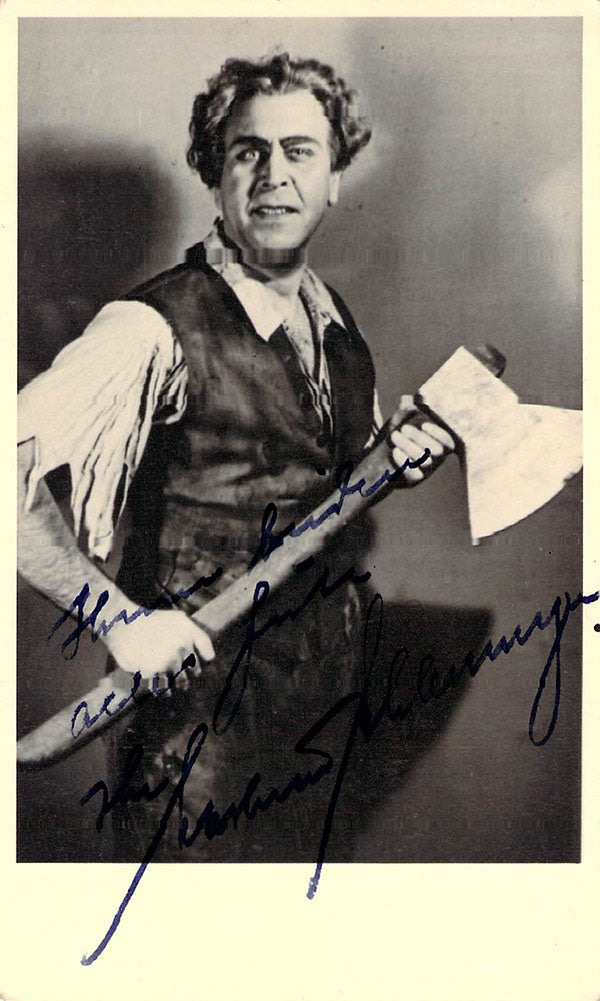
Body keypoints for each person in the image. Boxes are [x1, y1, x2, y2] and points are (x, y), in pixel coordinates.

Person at [17, 53, 454, 862]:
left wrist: (394, 454)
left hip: (322, 713)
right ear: (214, 174)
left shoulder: (333, 320)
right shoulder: (153, 325)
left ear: (334, 178)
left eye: (300, 151)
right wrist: (118, 620)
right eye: (249, 150)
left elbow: (313, 482)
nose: (274, 175)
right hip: (194, 737)